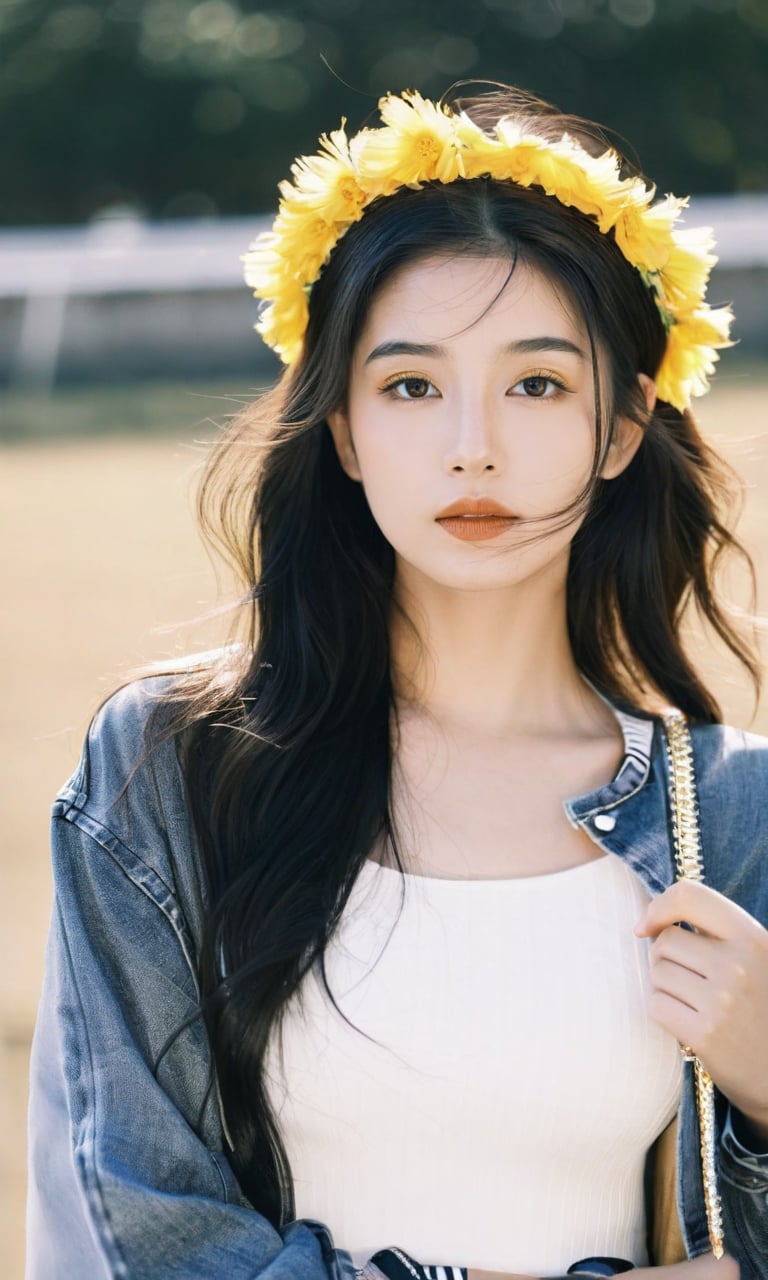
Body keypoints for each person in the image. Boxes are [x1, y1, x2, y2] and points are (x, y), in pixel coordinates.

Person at [26, 84, 768, 1280]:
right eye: (412, 385)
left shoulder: (727, 813)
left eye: (537, 383)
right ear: (345, 428)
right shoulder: (177, 764)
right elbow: (129, 1226)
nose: (473, 444)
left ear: (623, 427)